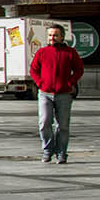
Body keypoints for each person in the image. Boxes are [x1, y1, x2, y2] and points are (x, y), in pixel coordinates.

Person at [29, 23, 83, 164]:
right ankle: (47, 150)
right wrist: (40, 83)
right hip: (45, 93)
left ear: (62, 37)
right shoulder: (42, 52)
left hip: (64, 94)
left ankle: (61, 153)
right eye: (50, 35)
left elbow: (79, 70)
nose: (52, 37)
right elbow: (34, 70)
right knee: (44, 122)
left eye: (55, 35)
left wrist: (70, 83)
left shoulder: (70, 53)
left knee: (63, 126)